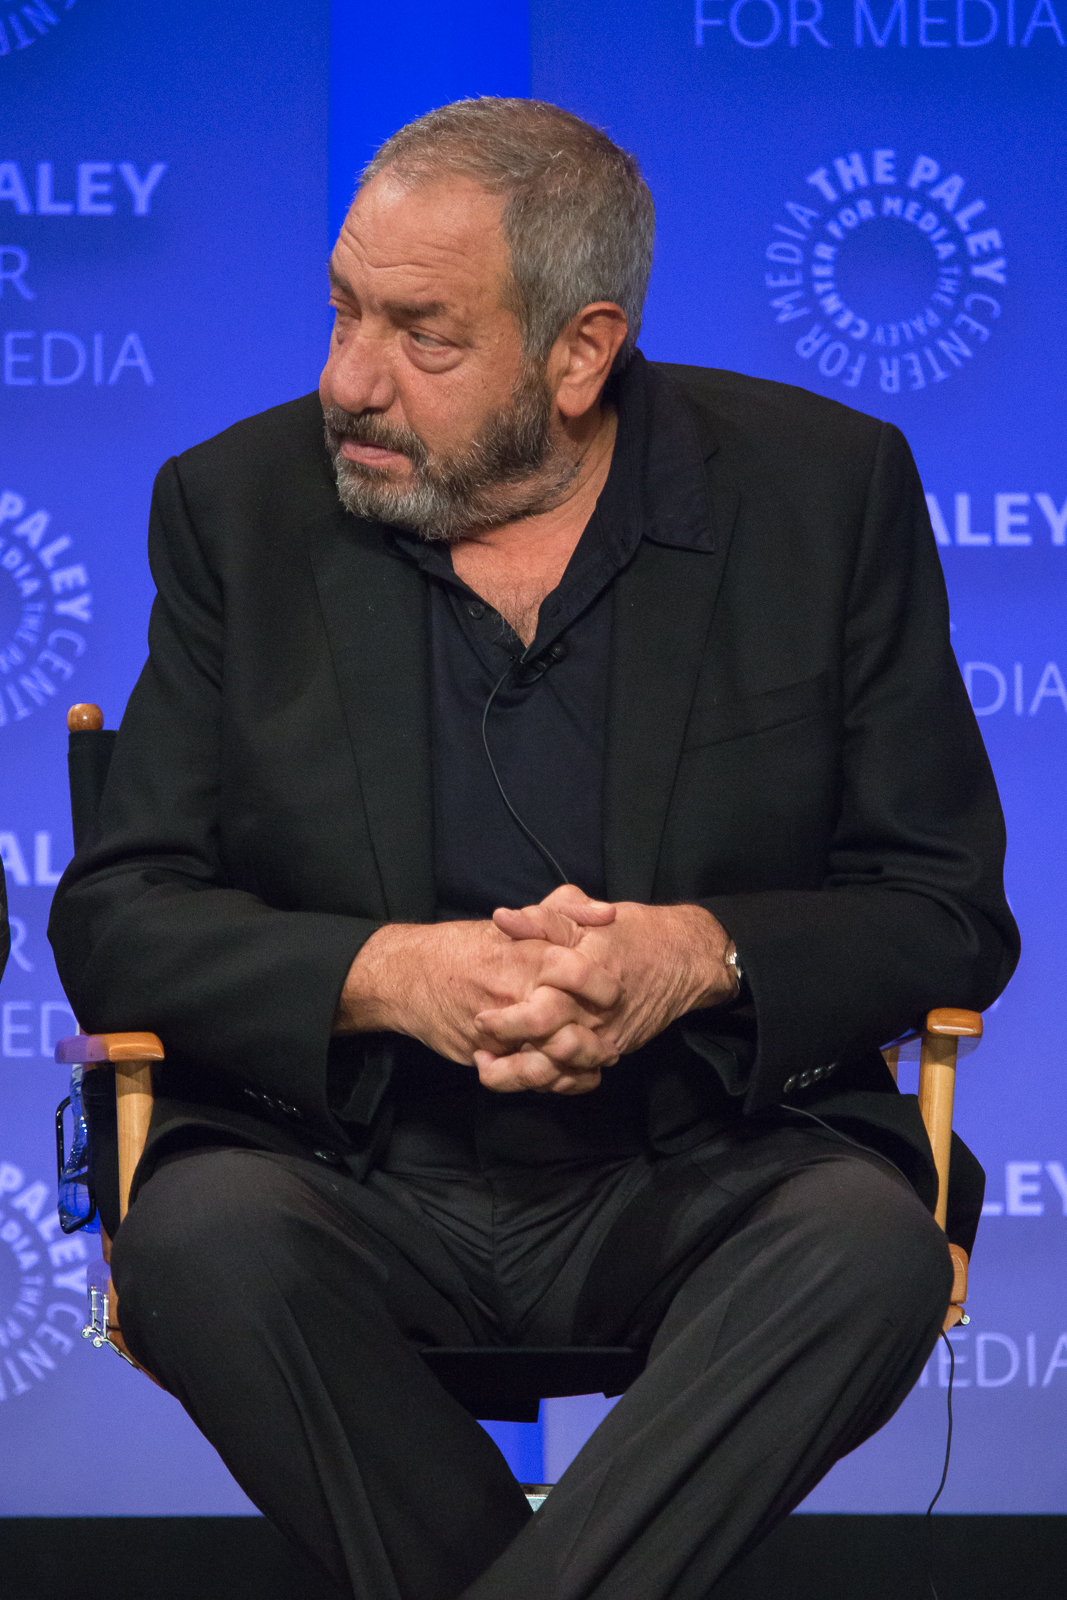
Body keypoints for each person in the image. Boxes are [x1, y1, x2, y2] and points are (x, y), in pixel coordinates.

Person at [49, 98, 1018, 1600]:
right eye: (343, 311)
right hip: (350, 1167)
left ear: (581, 353)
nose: (348, 379)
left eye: (421, 335)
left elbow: (945, 905)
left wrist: (696, 955)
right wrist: (390, 976)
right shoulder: (237, 508)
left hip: (706, 1158)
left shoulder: (824, 494)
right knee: (199, 1242)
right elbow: (121, 915)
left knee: (869, 1251)